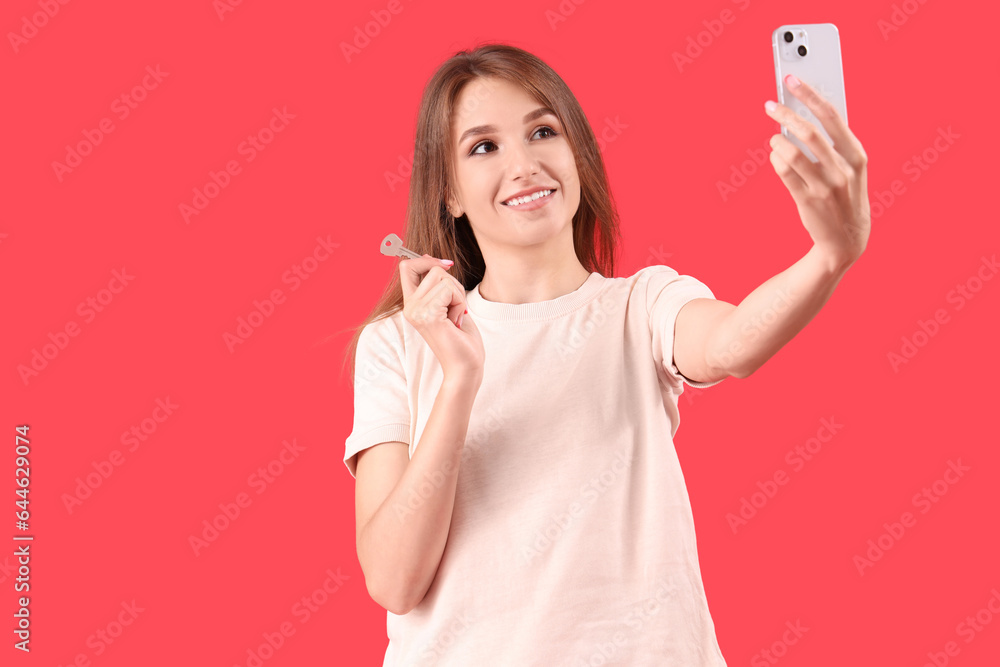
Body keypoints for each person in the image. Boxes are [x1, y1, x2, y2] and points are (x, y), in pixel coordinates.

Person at [341, 43, 870, 666]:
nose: (524, 164)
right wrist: (459, 380)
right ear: (449, 193)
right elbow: (394, 581)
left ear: (578, 158)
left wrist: (828, 256)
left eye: (543, 131)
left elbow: (731, 345)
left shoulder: (641, 306)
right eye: (484, 147)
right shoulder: (399, 344)